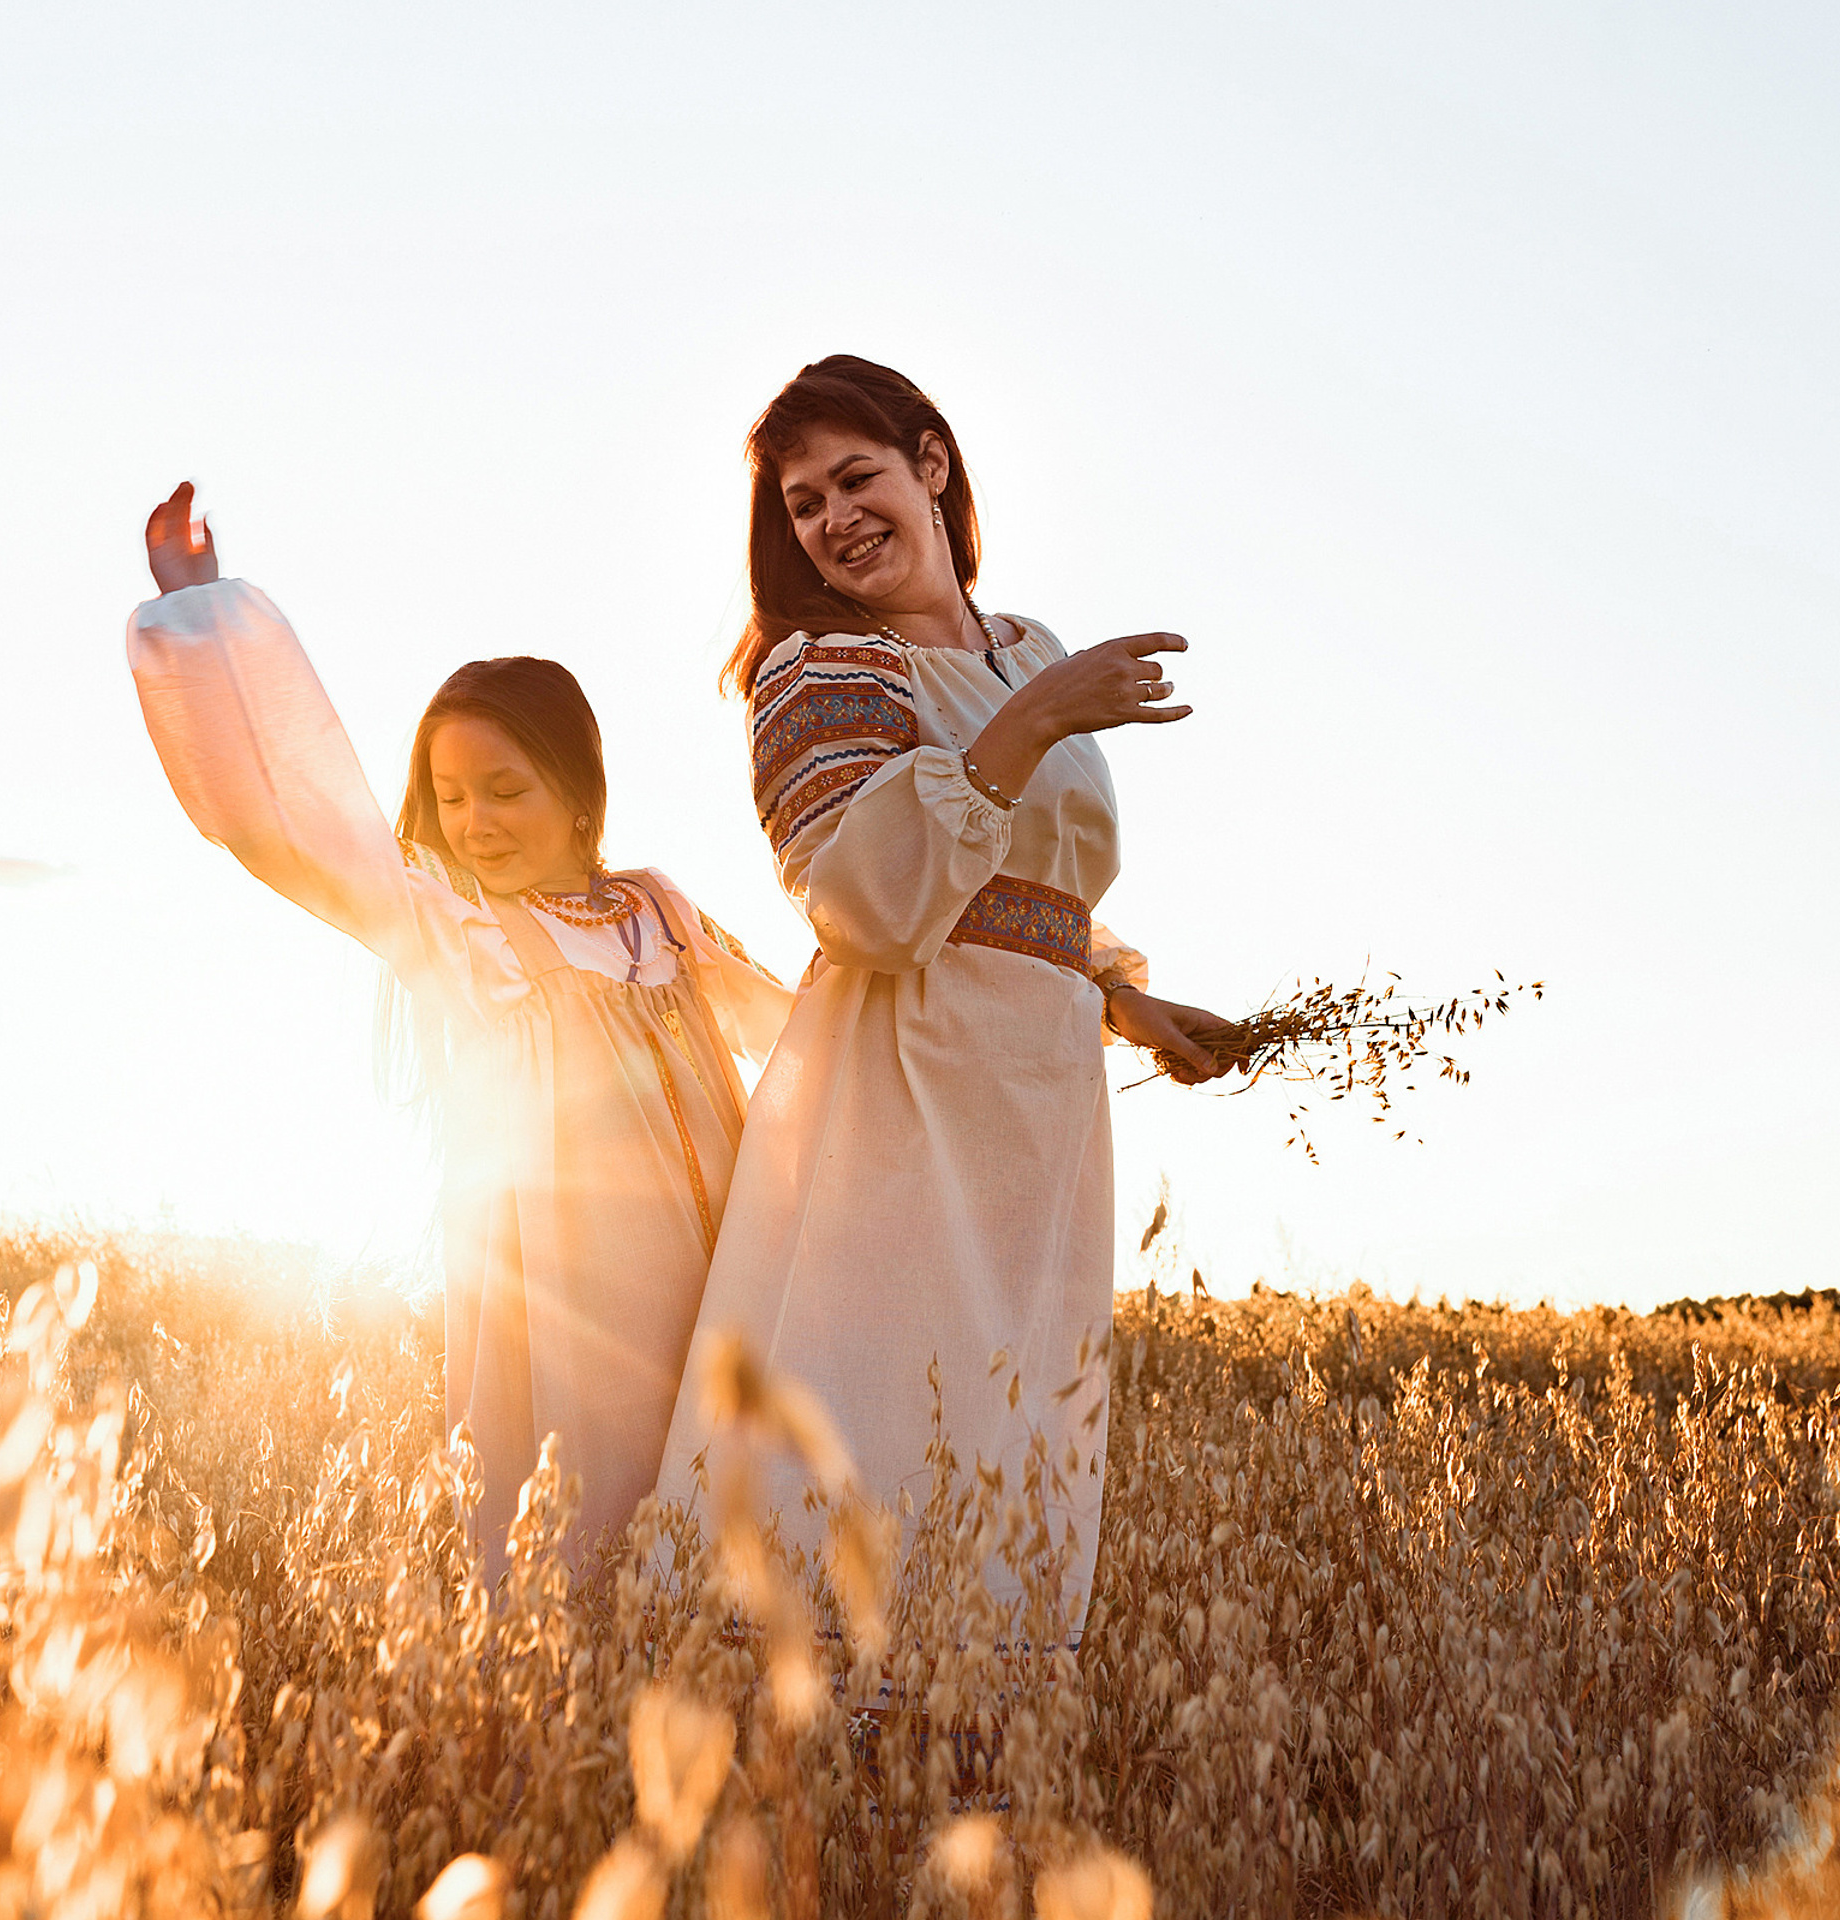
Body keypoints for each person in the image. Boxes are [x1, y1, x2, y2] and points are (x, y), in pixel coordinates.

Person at [654, 357, 1240, 1631]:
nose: (833, 518)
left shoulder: (1030, 650)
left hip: (1040, 1088)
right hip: (903, 1080)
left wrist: (1127, 999)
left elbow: (1034, 882)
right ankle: (818, 1707)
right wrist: (1032, 724)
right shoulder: (818, 668)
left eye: (854, 477)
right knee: (887, 1398)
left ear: (932, 464)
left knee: (1012, 1405)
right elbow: (860, 901)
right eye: (803, 503)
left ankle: (968, 1720)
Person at [128, 483, 792, 1574]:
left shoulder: (659, 911)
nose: (473, 823)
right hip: (572, 1310)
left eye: (505, 790)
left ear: (577, 793)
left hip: (724, 1272)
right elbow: (294, 824)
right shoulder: (460, 934)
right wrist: (204, 621)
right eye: (450, 797)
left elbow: (801, 1029)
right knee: (585, 1541)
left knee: (725, 1536)